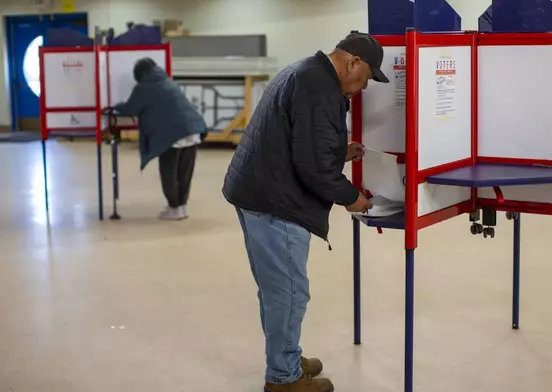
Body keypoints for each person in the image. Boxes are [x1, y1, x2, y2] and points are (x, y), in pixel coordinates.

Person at [222, 31, 389, 392]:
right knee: (289, 292)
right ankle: (283, 379)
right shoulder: (318, 88)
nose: (363, 88)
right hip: (274, 201)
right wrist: (351, 198)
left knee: (274, 290)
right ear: (352, 63)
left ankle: (284, 355)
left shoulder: (305, 71)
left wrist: (338, 152)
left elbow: (296, 140)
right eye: (366, 78)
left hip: (257, 191)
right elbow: (312, 166)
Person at [111, 57, 206, 220]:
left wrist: (115, 106)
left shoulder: (144, 87)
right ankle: (182, 207)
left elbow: (130, 109)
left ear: (139, 74)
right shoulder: (168, 81)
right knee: (184, 172)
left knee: (168, 173)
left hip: (172, 135)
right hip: (192, 131)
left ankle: (173, 208)